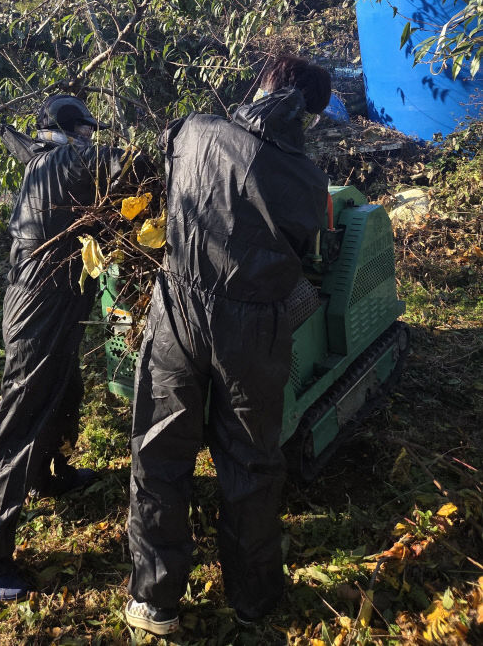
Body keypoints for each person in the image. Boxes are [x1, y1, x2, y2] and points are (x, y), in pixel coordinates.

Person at [125, 55, 332, 636]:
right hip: (251, 325)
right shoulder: (306, 179)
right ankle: (253, 598)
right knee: (249, 459)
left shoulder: (192, 129)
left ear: (261, 85)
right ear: (308, 114)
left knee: (160, 449)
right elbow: (301, 244)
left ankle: (155, 598)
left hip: (177, 305)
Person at [0, 93, 139, 601]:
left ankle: (50, 474)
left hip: (49, 300)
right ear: (68, 132)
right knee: (20, 420)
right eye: (85, 132)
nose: (90, 139)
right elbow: (129, 161)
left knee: (65, 388)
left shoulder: (44, 165)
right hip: (37, 310)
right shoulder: (65, 161)